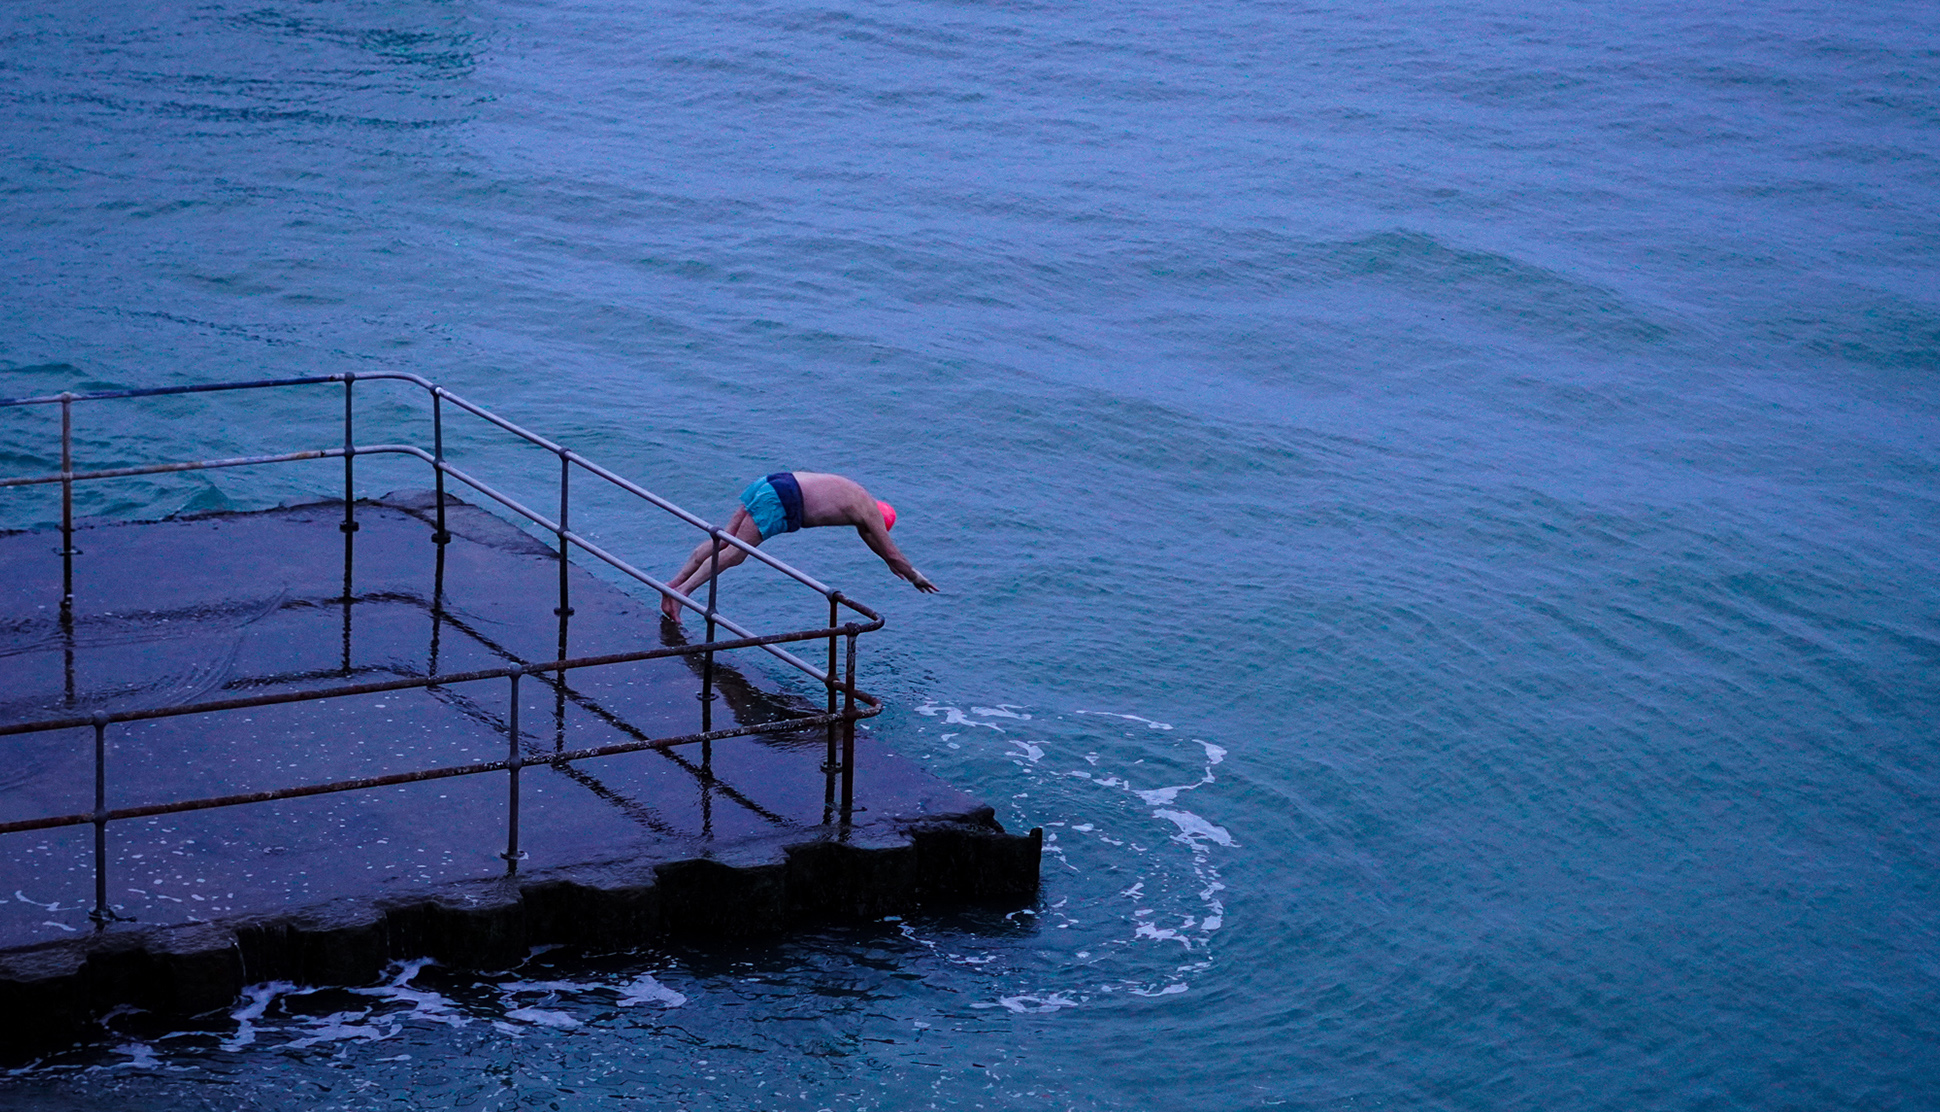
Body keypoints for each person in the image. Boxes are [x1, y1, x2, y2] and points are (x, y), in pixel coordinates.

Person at [661, 471, 937, 620]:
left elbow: (876, 546)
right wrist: (914, 576)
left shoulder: (861, 497)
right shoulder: (871, 515)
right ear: (881, 519)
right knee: (736, 553)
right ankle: (681, 594)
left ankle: (673, 585)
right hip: (784, 498)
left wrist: (889, 563)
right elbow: (887, 548)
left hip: (774, 480)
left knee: (722, 539)